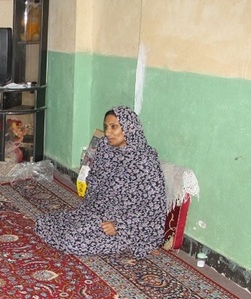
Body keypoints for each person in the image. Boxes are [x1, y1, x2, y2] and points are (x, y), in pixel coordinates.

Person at [35, 105, 166, 257]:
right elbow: (95, 179)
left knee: (73, 241)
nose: (108, 132)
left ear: (129, 128)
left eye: (114, 127)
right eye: (106, 127)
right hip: (99, 211)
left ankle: (126, 241)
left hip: (128, 224)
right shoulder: (106, 147)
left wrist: (119, 225)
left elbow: (153, 207)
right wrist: (92, 207)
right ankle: (84, 227)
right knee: (43, 222)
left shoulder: (145, 160)